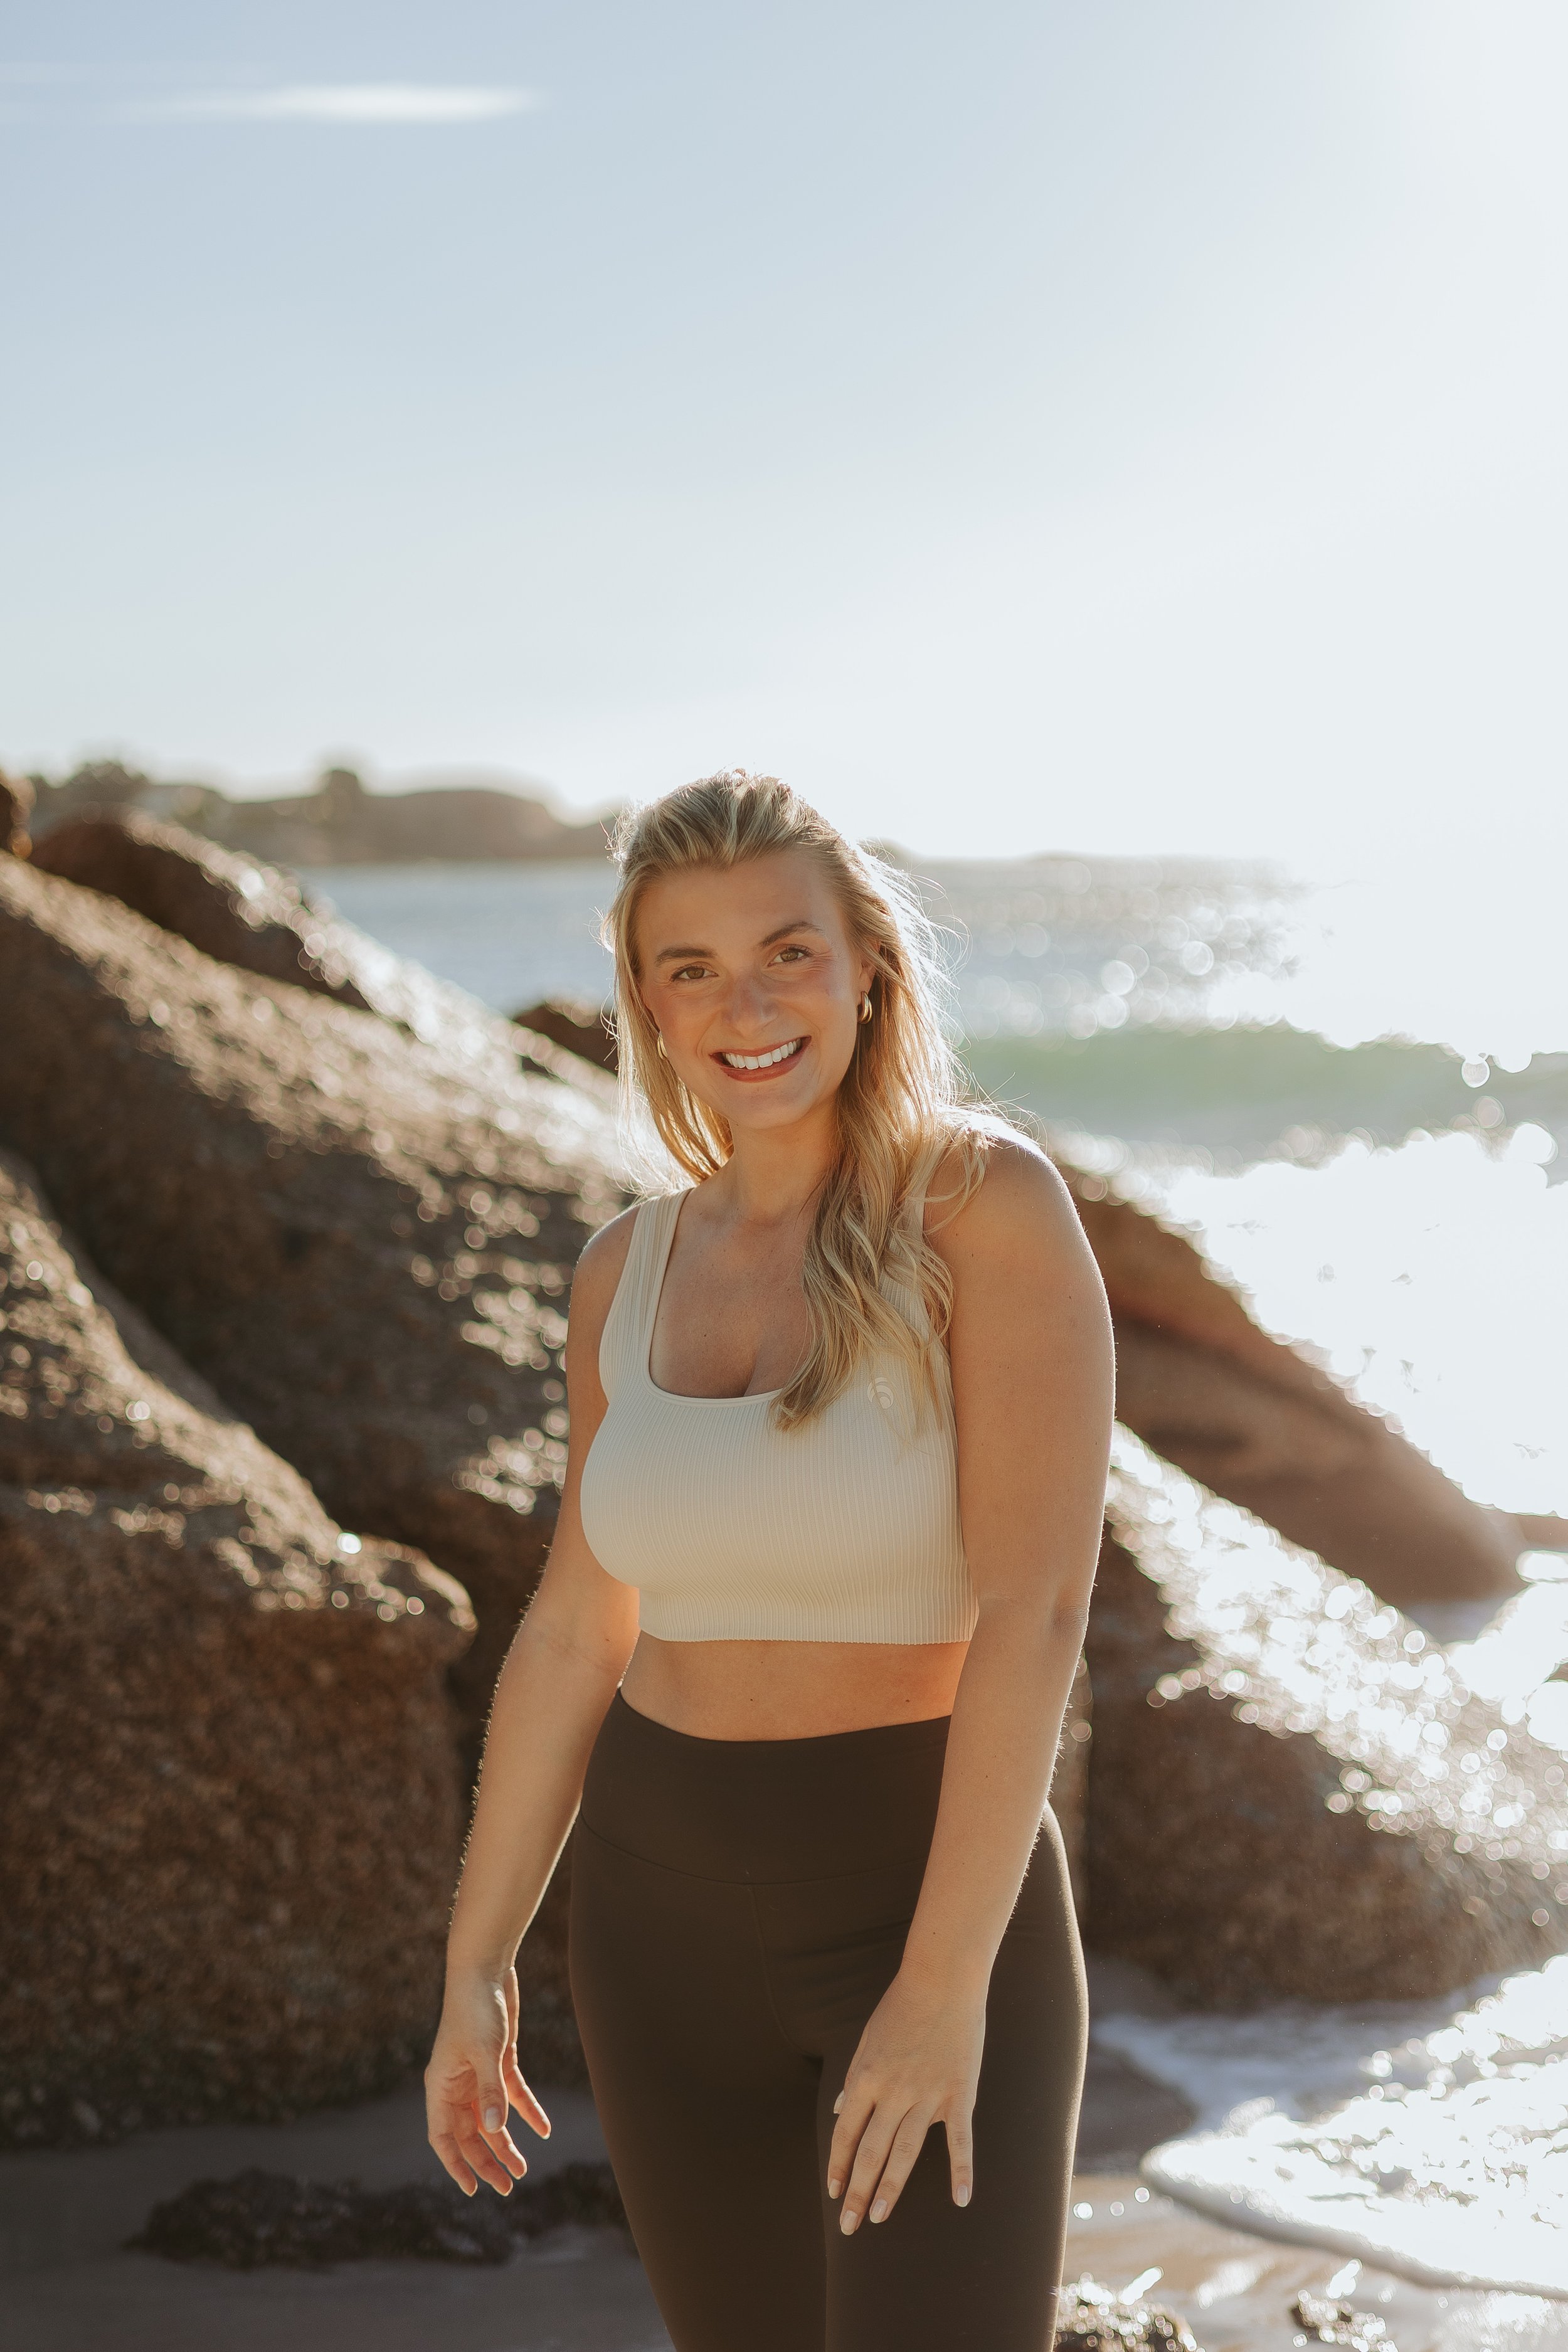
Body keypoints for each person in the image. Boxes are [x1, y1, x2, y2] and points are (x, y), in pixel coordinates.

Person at [425, 771, 1115, 2351]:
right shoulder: (625, 1267)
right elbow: (574, 1630)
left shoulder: (981, 1209)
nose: (746, 1006)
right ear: (648, 1005)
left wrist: (939, 1988)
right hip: (654, 1933)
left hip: (917, 1904)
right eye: (693, 969)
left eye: (786, 953)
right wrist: (476, 1963)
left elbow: (1036, 1611)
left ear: (866, 965)